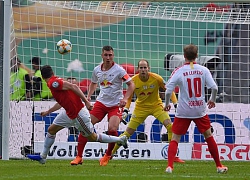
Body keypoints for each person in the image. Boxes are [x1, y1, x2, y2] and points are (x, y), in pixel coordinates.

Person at [27, 65, 128, 164]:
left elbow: (73, 86)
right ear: (52, 73)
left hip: (78, 114)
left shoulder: (54, 83)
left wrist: (86, 101)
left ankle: (120, 139)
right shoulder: (54, 81)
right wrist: (48, 112)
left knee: (93, 137)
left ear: (43, 76)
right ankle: (43, 157)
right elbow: (60, 102)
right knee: (51, 130)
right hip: (68, 113)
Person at [164, 44, 228, 174]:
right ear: (197, 55)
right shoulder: (203, 70)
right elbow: (214, 87)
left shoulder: (179, 70)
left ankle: (170, 166)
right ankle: (219, 166)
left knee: (175, 138)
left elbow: (168, 90)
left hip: (183, 110)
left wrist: (166, 104)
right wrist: (212, 99)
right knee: (208, 136)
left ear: (184, 56)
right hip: (199, 109)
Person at [70, 45, 135, 166]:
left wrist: (125, 98)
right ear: (102, 55)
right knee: (85, 126)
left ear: (113, 56)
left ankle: (108, 154)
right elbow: (94, 83)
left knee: (112, 129)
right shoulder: (97, 70)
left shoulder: (119, 70)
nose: (108, 57)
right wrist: (88, 96)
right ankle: (79, 156)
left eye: (110, 55)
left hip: (115, 105)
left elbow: (131, 84)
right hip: (101, 103)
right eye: (106, 55)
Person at [111, 59, 184, 163]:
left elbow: (169, 90)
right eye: (141, 67)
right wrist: (126, 110)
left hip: (157, 106)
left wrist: (175, 103)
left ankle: (172, 156)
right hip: (140, 108)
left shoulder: (156, 78)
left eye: (145, 67)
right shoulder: (133, 81)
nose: (143, 70)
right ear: (138, 69)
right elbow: (129, 97)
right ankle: (110, 154)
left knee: (170, 126)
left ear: (148, 69)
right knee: (127, 133)